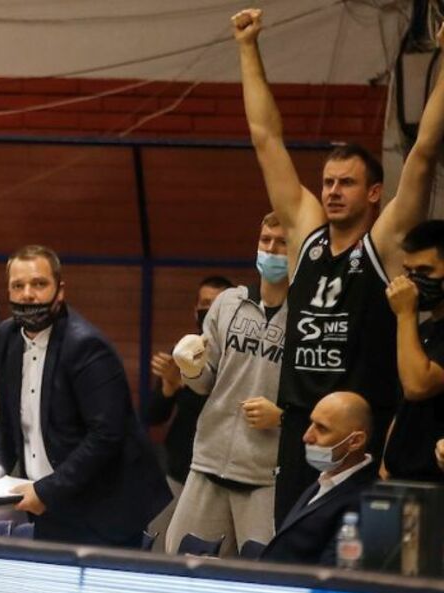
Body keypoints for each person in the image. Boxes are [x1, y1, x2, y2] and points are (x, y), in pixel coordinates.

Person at [233, 9, 444, 524]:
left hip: (362, 427)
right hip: (301, 425)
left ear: (373, 193)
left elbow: (422, 152)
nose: (331, 191)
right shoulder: (306, 235)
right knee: (291, 543)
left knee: (354, 553)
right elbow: (265, 139)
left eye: (346, 183)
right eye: (327, 182)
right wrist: (247, 47)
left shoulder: (383, 243)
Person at [0, 246, 169, 545]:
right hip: (48, 503)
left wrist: (46, 490)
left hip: (104, 506)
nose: (28, 294)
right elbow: (7, 422)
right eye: (18, 286)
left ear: (60, 290)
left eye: (39, 284)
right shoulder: (6, 337)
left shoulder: (86, 345)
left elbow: (106, 435)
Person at [166, 214, 290, 554]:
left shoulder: (307, 315)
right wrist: (190, 369)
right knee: (180, 561)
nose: (271, 250)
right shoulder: (229, 302)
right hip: (209, 461)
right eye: (265, 240)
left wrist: (282, 417)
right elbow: (205, 383)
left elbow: (316, 396)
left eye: (283, 243)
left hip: (265, 475)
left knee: (263, 574)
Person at [143, 275, 232, 532]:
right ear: (195, 310)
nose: (209, 310)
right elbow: (152, 416)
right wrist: (169, 387)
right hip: (179, 468)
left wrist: (189, 384)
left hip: (220, 474)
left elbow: (223, 409)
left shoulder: (239, 355)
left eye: (217, 304)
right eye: (204, 304)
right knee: (159, 539)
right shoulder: (183, 351)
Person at [261, 391, 379, 565]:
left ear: (355, 441)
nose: (307, 436)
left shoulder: (365, 501)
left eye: (322, 428)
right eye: (311, 423)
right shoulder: (326, 479)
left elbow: (332, 572)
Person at [382, 220, 444, 481]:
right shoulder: (424, 330)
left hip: (434, 480)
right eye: (409, 271)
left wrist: (406, 314)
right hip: (401, 479)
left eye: (425, 271)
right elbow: (405, 405)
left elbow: (418, 385)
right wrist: (386, 463)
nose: (413, 282)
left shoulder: (408, 321)